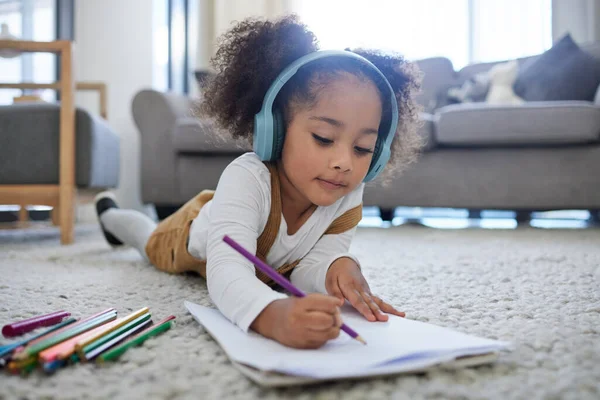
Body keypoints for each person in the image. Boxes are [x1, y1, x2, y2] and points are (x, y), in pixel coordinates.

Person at [95, 14, 422, 349]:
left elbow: (307, 268)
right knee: (148, 241)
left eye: (363, 148)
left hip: (254, 246)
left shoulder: (347, 194)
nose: (344, 163)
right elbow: (226, 272)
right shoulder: (247, 177)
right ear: (275, 130)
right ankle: (110, 217)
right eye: (324, 138)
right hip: (192, 232)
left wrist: (336, 269)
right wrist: (271, 314)